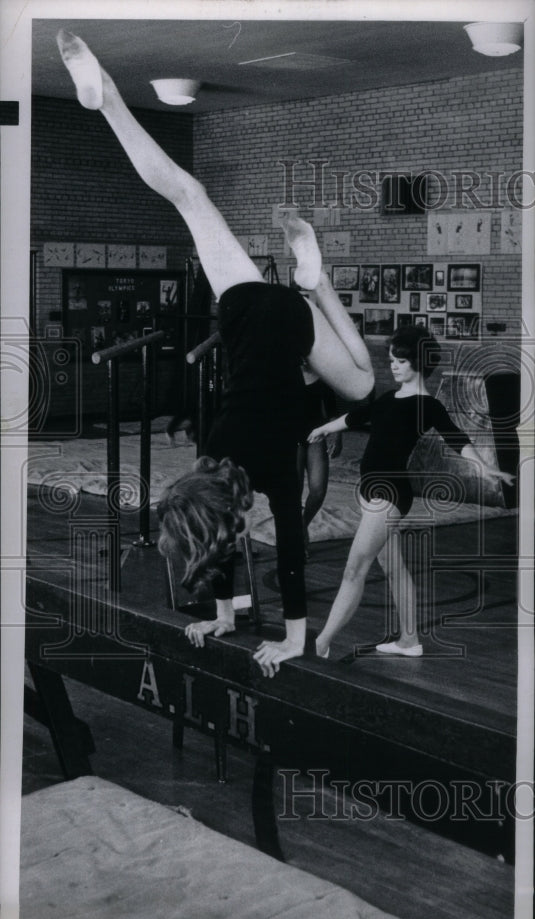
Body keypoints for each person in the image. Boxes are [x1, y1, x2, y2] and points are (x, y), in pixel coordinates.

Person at [56, 30, 375, 676]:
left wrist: (289, 636)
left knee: (366, 386)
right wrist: (227, 618)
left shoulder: (255, 479)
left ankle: (315, 280)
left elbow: (287, 547)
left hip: (291, 324)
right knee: (187, 195)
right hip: (241, 310)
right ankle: (108, 101)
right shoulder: (213, 452)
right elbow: (220, 529)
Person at [308, 326, 514, 659]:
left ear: (417, 363)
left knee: (353, 568)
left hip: (388, 494)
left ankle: (322, 642)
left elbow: (456, 438)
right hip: (370, 492)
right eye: (392, 360)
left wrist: (485, 468)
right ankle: (409, 640)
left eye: (400, 361)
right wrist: (322, 428)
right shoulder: (389, 398)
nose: (393, 366)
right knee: (394, 569)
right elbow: (353, 417)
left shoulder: (426, 406)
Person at [297, 363, 343, 557]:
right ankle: (297, 538)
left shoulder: (322, 374)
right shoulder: (283, 372)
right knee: (294, 492)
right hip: (291, 437)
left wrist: (337, 435)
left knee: (318, 490)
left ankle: (301, 526)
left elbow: (332, 409)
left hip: (316, 434)